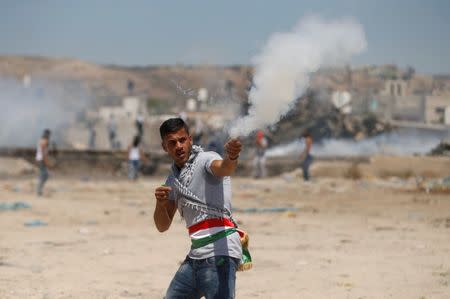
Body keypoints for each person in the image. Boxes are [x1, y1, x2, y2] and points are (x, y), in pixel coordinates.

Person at [154, 118, 249, 299]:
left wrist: (232, 156)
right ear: (165, 147)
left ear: (190, 139)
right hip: (196, 255)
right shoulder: (173, 179)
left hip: (219, 251)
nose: (179, 146)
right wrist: (160, 204)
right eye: (172, 143)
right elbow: (162, 226)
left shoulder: (207, 159)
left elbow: (224, 168)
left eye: (182, 140)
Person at [36, 129, 51, 196]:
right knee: (45, 175)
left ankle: (39, 190)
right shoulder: (45, 141)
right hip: (42, 159)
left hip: (40, 159)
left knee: (44, 174)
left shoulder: (41, 140)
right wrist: (46, 161)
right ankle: (39, 190)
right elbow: (43, 153)